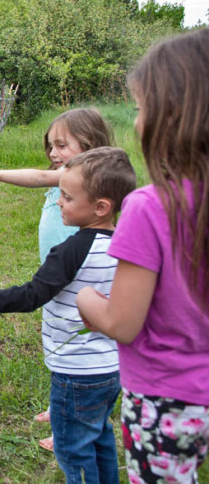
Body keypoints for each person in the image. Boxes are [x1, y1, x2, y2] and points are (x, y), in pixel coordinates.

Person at [0, 146, 137, 484]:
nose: (57, 202)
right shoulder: (126, 243)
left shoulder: (71, 251)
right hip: (112, 370)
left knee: (72, 449)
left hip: (76, 373)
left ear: (100, 207)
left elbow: (30, 295)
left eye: (66, 197)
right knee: (99, 437)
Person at [76, 29, 209, 484]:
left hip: (163, 397)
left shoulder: (149, 207)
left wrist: (86, 299)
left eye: (140, 108)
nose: (136, 121)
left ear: (171, 118)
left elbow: (121, 323)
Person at [0, 108, 114, 450]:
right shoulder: (70, 178)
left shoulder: (82, 177)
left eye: (62, 144)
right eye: (50, 145)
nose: (53, 154)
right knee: (61, 343)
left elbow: (36, 176)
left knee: (78, 348)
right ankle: (62, 404)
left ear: (90, 145)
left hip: (81, 281)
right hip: (61, 279)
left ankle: (71, 427)